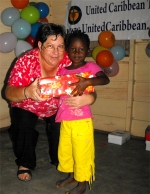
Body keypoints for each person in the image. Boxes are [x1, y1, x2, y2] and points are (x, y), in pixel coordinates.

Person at [4, 23, 97, 182]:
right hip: (28, 105)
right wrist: (27, 92)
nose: (56, 52)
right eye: (50, 46)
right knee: (23, 122)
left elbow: (89, 86)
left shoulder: (70, 61)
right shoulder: (26, 61)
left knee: (62, 130)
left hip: (57, 107)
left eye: (60, 46)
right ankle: (25, 163)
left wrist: (90, 98)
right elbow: (8, 92)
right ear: (40, 45)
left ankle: (59, 158)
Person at [55, 31, 110, 194]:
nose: (77, 53)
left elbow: (105, 79)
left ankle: (82, 185)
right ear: (67, 51)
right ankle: (71, 175)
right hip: (65, 118)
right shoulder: (63, 70)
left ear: (87, 50)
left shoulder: (90, 67)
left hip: (82, 120)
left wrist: (88, 81)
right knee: (67, 150)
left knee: (82, 153)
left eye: (81, 49)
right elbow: (59, 90)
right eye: (73, 49)